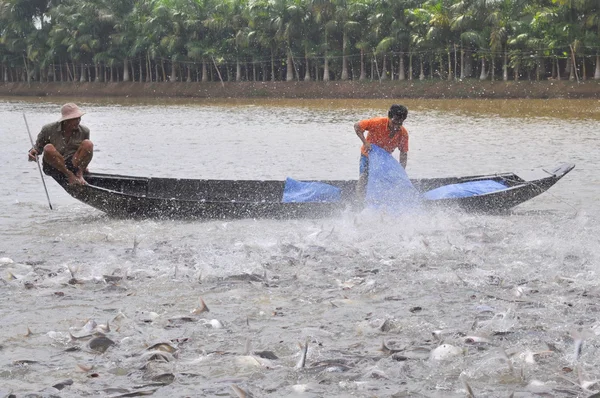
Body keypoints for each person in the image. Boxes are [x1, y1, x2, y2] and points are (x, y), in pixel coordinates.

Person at [27, 103, 93, 186]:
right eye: (75, 119)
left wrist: (83, 167)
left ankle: (79, 175)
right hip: (53, 164)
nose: (78, 121)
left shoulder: (84, 131)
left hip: (72, 162)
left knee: (88, 144)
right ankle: (70, 175)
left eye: (79, 118)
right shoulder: (48, 129)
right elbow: (38, 148)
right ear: (66, 120)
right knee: (48, 147)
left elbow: (86, 152)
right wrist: (33, 152)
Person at [354, 104, 409, 198]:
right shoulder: (377, 123)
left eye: (399, 123)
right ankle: (360, 201)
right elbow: (357, 126)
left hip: (384, 160)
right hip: (367, 156)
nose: (396, 126)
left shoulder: (403, 134)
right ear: (389, 117)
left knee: (385, 180)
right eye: (394, 122)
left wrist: (401, 171)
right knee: (364, 178)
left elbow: (403, 153)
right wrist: (365, 142)